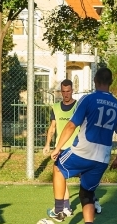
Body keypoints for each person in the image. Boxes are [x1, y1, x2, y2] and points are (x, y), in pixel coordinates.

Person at [48, 67, 117, 224]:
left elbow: (71, 125)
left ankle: (59, 210)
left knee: (58, 167)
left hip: (83, 150)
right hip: (102, 158)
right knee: (87, 193)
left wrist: (57, 148)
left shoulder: (88, 99)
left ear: (95, 81)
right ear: (111, 82)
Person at [43, 79, 102, 216]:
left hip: (77, 149)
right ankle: (66, 207)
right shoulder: (55, 107)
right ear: (61, 92)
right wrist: (47, 144)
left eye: (68, 91)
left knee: (85, 179)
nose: (66, 94)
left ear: (72, 91)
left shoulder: (79, 106)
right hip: (61, 148)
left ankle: (93, 202)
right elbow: (52, 127)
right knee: (60, 175)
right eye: (63, 91)